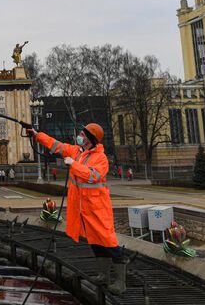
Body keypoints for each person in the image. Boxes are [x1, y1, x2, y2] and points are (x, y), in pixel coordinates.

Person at [26, 123, 127, 294]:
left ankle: (120, 282)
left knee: (109, 243)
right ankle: (103, 275)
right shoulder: (77, 151)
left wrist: (73, 164)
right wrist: (37, 135)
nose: (80, 135)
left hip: (98, 208)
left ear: (90, 138)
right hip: (84, 209)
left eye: (83, 133)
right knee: (95, 242)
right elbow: (56, 145)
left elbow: (93, 176)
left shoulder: (100, 158)